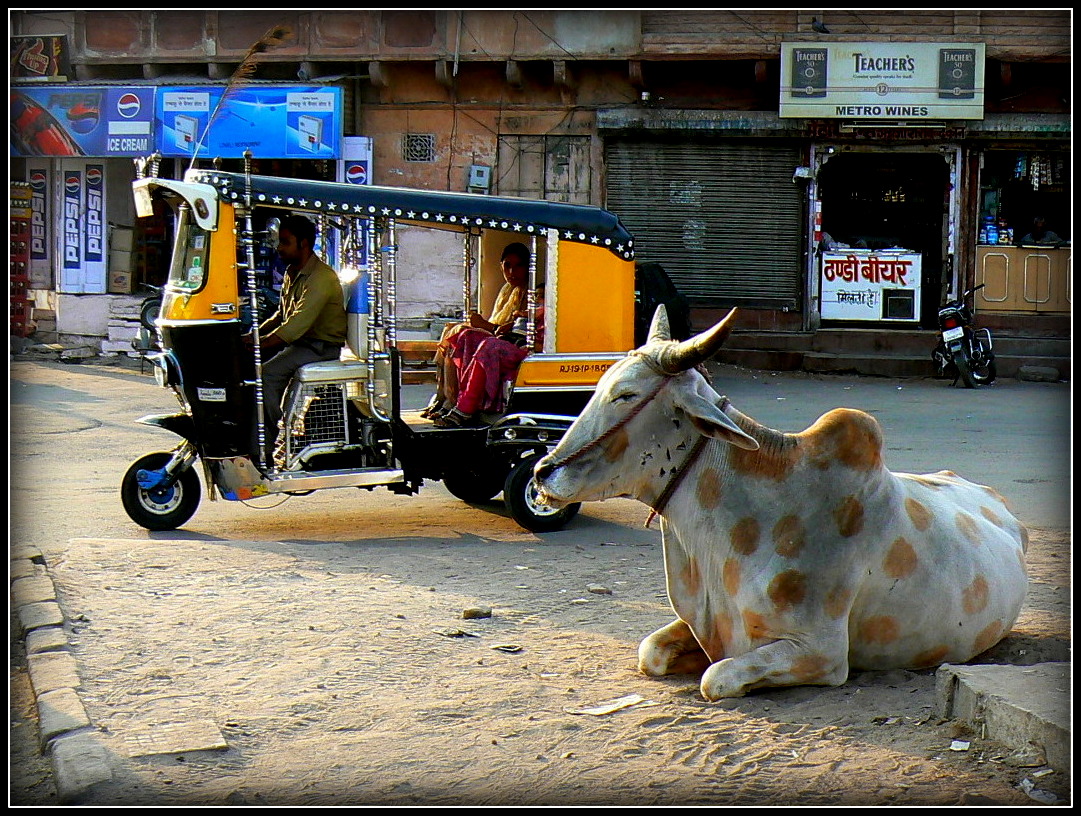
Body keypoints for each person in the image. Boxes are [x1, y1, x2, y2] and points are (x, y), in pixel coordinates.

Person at [244, 214, 347, 467]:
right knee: (249, 369)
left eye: (285, 242)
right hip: (301, 344)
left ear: (304, 244)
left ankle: (263, 449)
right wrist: (252, 338)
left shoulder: (322, 277)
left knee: (267, 374)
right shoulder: (293, 271)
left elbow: (295, 326)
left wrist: (261, 344)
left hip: (319, 348)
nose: (279, 248)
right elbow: (281, 315)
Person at [421, 242, 532, 419]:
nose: (512, 272)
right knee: (451, 328)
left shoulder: (530, 292)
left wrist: (483, 325)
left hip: (509, 342)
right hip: (495, 336)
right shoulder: (507, 290)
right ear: (501, 266)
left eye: (519, 266)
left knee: (461, 332)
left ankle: (454, 402)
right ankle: (443, 396)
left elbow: (512, 331)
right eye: (507, 266)